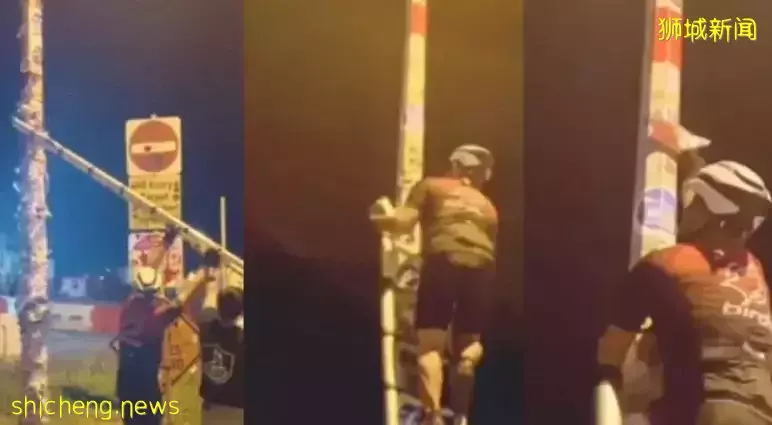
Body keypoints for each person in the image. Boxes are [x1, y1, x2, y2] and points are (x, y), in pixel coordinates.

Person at [596, 160, 772, 425]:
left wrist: (612, 378)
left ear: (715, 213)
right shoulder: (754, 271)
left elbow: (613, 347)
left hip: (701, 411)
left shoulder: (667, 263)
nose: (686, 211)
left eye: (695, 203)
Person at [370, 144, 499, 425]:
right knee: (470, 342)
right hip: (482, 266)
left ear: (456, 166)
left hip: (444, 258)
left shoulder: (433, 186)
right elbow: (488, 244)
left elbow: (404, 221)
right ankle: (465, 383)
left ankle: (433, 416)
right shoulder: (488, 207)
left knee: (430, 344)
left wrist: (382, 219)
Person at [116, 228, 214, 425]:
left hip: (125, 384)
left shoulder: (130, 306)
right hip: (146, 386)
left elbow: (149, 270)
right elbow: (183, 300)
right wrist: (206, 270)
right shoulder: (157, 316)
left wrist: (166, 244)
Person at [199, 285, 244, 424]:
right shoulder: (242, 339)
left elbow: (205, 311)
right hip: (236, 405)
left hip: (210, 404)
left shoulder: (204, 329)